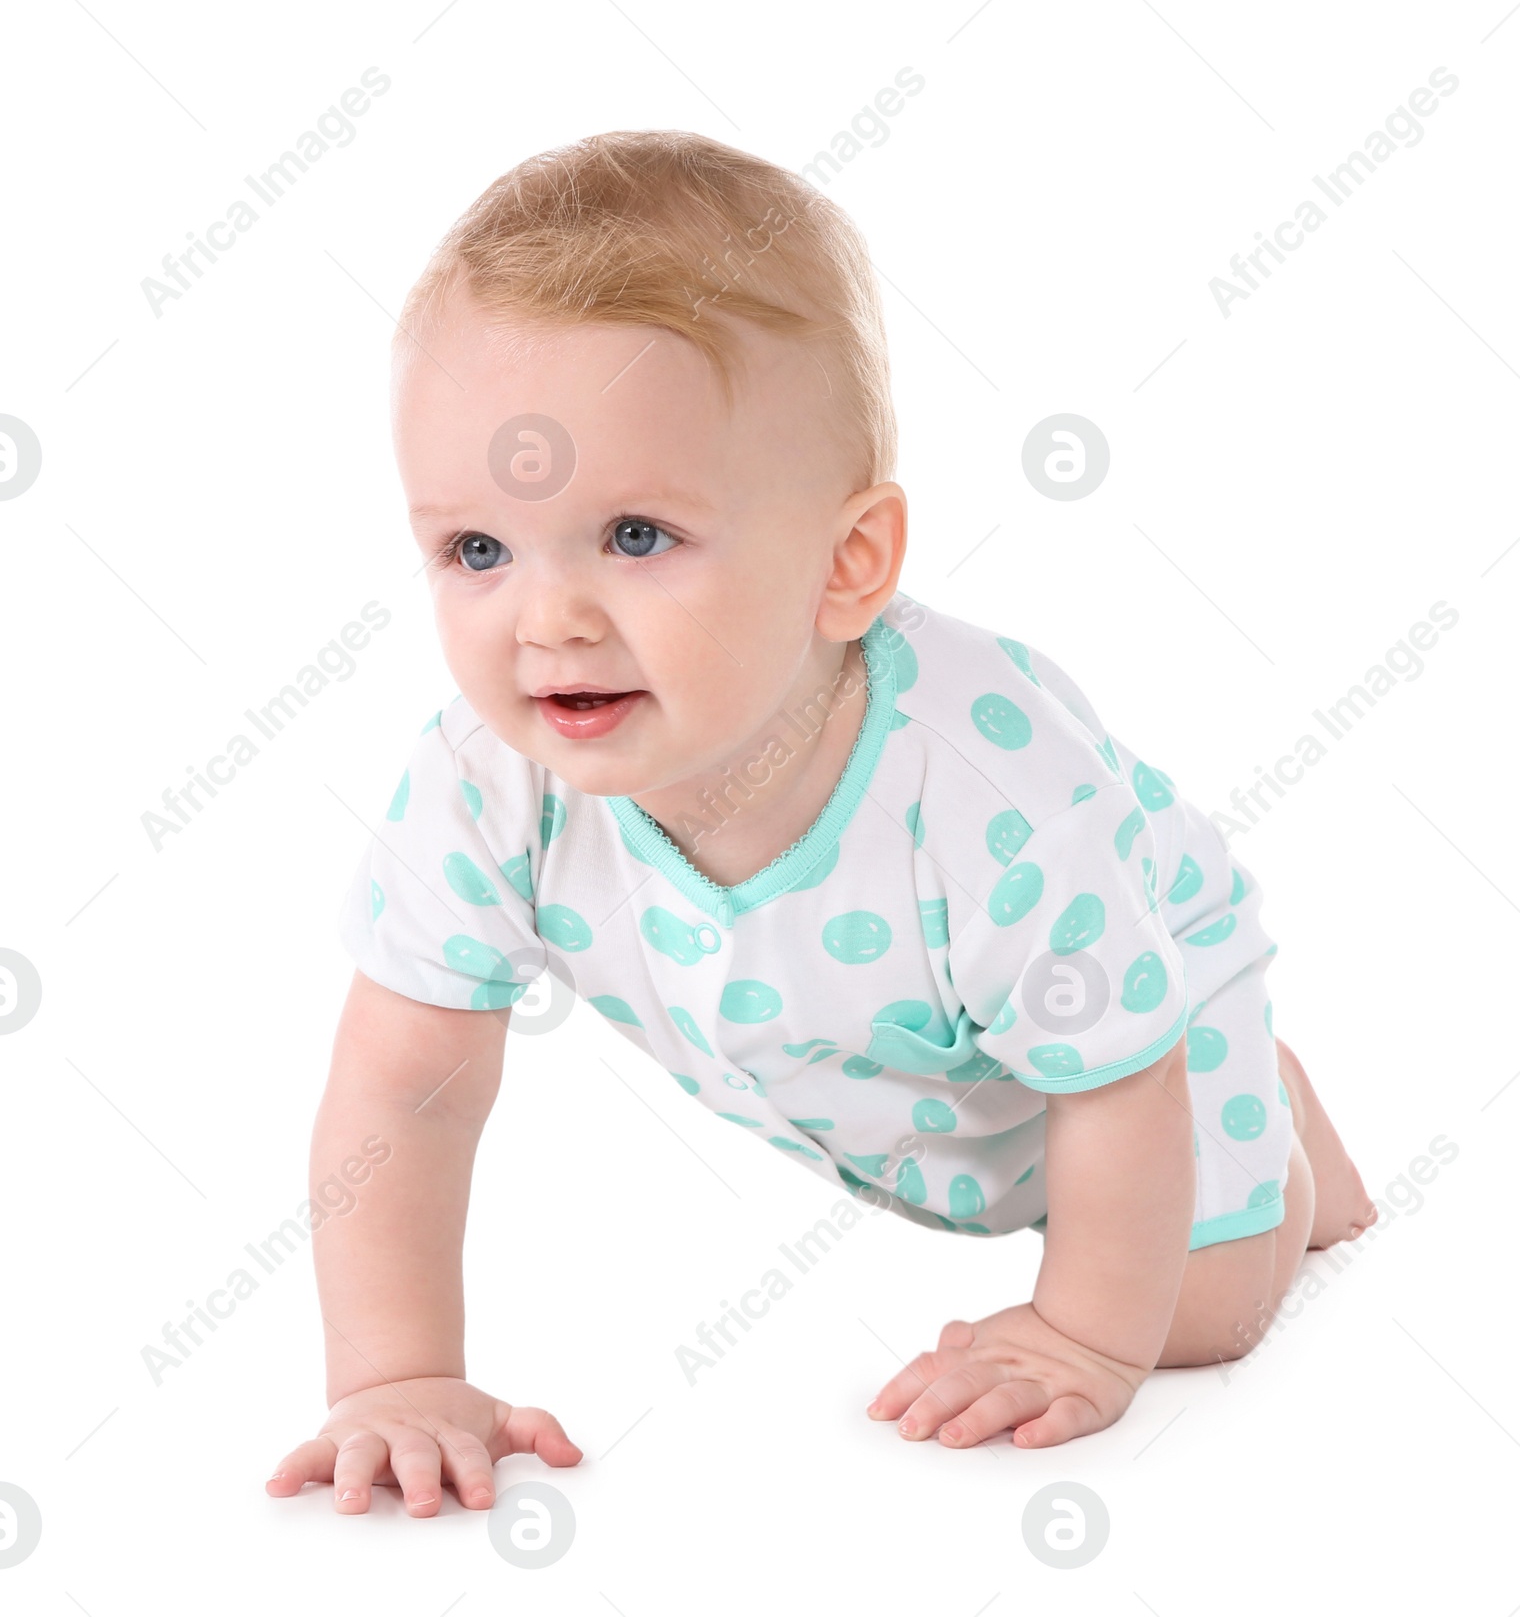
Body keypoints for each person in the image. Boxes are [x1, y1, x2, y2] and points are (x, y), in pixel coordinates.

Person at [265, 130, 1377, 1517]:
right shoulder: (489, 783)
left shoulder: (986, 804)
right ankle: (1283, 1150)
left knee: (1200, 1311)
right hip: (956, 1081)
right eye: (477, 551)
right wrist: (395, 1376)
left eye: (637, 537)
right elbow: (401, 1087)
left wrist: (1082, 1335)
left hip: (1139, 1013)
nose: (547, 620)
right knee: (1081, 1183)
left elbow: (1116, 1079)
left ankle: (1272, 1130)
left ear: (847, 565)